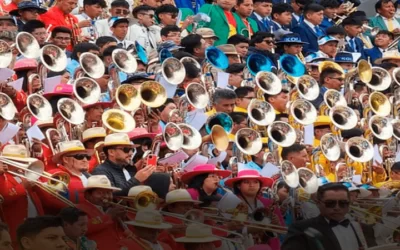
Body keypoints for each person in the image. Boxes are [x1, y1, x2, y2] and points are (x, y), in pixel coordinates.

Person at [282, 183, 368, 250]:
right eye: (330, 203)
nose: (337, 208)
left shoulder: (354, 226)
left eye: (343, 203)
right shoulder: (301, 228)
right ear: (319, 203)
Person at [0, 145, 44, 247]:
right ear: (7, 161)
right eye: (20, 161)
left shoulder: (24, 174)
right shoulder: (2, 176)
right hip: (16, 226)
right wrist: (23, 187)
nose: (24, 164)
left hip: (35, 223)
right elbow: (4, 198)